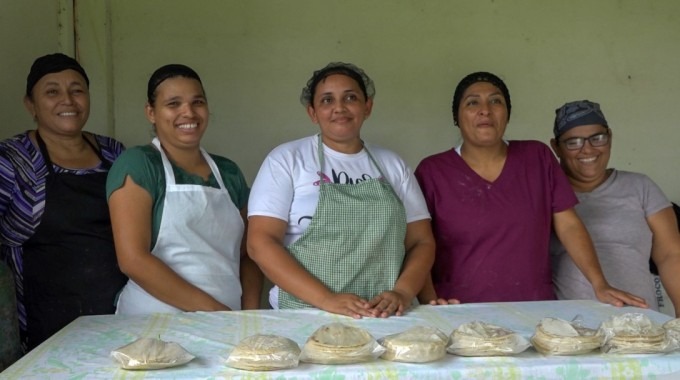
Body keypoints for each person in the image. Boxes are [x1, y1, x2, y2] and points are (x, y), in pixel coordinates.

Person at [414, 72, 647, 309]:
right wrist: (429, 300)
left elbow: (568, 225)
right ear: (457, 116)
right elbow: (418, 242)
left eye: (496, 101)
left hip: (534, 310)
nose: (485, 110)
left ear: (507, 114)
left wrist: (600, 284)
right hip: (458, 310)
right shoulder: (432, 171)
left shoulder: (536, 157)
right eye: (473, 102)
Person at [247, 62, 435, 319]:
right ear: (312, 113)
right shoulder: (286, 160)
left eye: (351, 97)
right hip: (305, 313)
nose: (339, 108)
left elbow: (421, 241)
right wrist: (326, 299)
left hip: (385, 315)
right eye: (327, 100)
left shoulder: (392, 164)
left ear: (367, 107)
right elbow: (260, 242)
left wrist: (402, 292)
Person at [106, 64, 262, 314]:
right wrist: (216, 313)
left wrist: (249, 316)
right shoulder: (140, 164)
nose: (188, 112)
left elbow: (248, 255)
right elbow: (133, 260)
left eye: (197, 102)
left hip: (228, 321)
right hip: (154, 322)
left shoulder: (228, 172)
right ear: (151, 112)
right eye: (173, 104)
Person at [0, 53, 127, 351]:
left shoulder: (114, 152)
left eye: (77, 89)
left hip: (121, 310)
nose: (67, 100)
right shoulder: (12, 161)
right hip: (44, 317)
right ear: (30, 105)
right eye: (52, 91)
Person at [549, 100, 680, 317]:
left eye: (597, 138)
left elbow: (671, 255)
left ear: (610, 136)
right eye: (574, 142)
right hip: (569, 333)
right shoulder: (546, 195)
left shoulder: (640, 187)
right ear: (556, 147)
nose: (588, 149)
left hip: (641, 325)